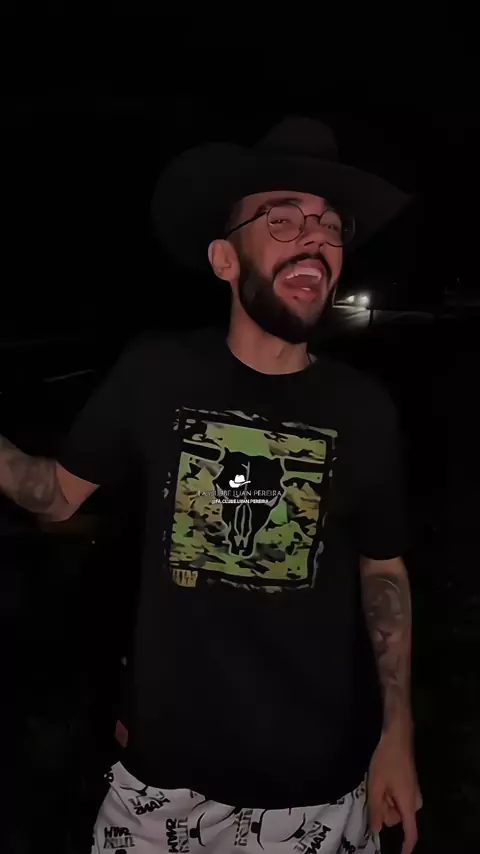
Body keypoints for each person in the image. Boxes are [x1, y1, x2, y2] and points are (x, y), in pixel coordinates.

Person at [0, 116, 422, 854]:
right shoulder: (158, 374)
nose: (314, 238)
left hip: (314, 795)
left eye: (329, 225)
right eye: (283, 218)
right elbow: (55, 494)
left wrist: (399, 734)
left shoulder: (363, 410)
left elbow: (382, 569)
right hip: (160, 787)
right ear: (225, 258)